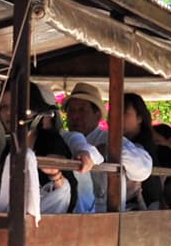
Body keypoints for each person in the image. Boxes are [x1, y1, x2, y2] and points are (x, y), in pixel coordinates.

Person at [60, 82, 153, 211]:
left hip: (107, 218)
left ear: (97, 115)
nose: (75, 116)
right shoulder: (63, 139)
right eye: (71, 110)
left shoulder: (110, 139)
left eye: (82, 110)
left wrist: (110, 150)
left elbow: (144, 168)